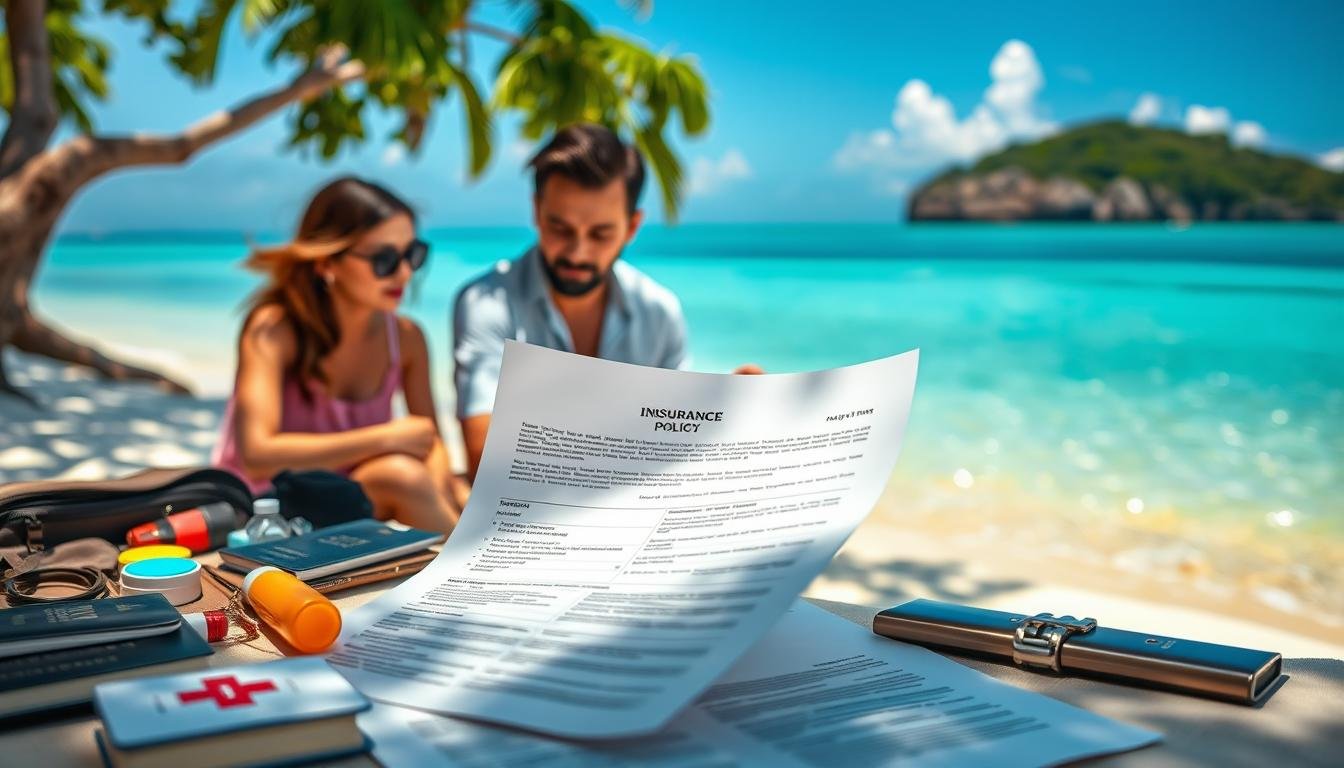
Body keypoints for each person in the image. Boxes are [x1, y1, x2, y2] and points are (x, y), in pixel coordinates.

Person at [452, 124, 761, 484]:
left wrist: (727, 416)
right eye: (560, 228)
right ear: (537, 212)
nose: (578, 252)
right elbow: (485, 460)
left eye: (601, 234)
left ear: (632, 227)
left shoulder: (659, 312)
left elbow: (671, 443)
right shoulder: (486, 303)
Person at [213, 177, 459, 533]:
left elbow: (429, 441)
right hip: (265, 509)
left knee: (446, 488)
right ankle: (473, 570)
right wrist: (384, 438)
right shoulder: (275, 328)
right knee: (401, 476)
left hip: (353, 495)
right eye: (385, 259)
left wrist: (445, 492)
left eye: (413, 254)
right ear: (327, 263)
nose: (405, 272)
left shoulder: (407, 338)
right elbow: (256, 455)